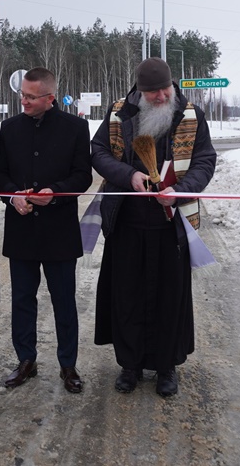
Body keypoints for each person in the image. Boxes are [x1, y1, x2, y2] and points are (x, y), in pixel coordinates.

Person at [90, 58, 215, 397]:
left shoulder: (190, 115)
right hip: (127, 222)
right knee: (127, 296)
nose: (161, 97)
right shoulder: (119, 113)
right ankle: (129, 365)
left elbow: (205, 159)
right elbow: (98, 151)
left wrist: (181, 190)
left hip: (170, 224)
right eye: (153, 92)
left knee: (168, 297)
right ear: (140, 92)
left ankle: (165, 366)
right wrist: (126, 176)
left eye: (165, 89)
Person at [0, 67, 93, 393]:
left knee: (64, 301)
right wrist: (12, 196)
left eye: (31, 97)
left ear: (50, 98)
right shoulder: (8, 128)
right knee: (22, 300)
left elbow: (82, 176)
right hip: (21, 229)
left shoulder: (76, 128)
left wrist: (56, 192)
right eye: (22, 95)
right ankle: (26, 360)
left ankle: (68, 365)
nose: (23, 101)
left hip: (59, 230)